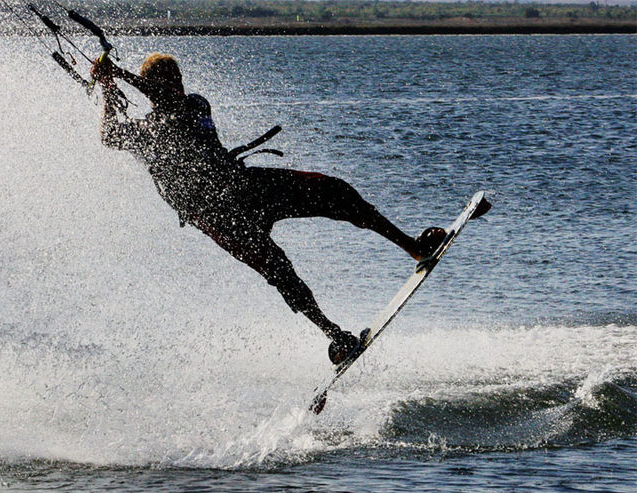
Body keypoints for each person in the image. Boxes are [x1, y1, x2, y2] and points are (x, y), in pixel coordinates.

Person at [91, 53, 447, 365]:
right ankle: (335, 337)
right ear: (155, 88)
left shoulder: (195, 105)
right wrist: (108, 86)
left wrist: (116, 74)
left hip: (246, 188)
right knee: (280, 270)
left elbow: (171, 102)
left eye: (178, 79)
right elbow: (109, 135)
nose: (178, 86)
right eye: (169, 82)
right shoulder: (148, 132)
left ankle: (412, 247)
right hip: (219, 218)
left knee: (334, 191)